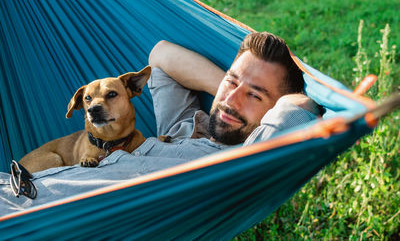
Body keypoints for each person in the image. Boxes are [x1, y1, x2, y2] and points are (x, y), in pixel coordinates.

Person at [0, 32, 319, 216]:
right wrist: (232, 92)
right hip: (13, 186)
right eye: (231, 82)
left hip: (31, 213)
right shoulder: (184, 127)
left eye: (255, 96)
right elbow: (162, 57)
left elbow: (299, 104)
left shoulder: (239, 163)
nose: (231, 100)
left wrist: (295, 99)